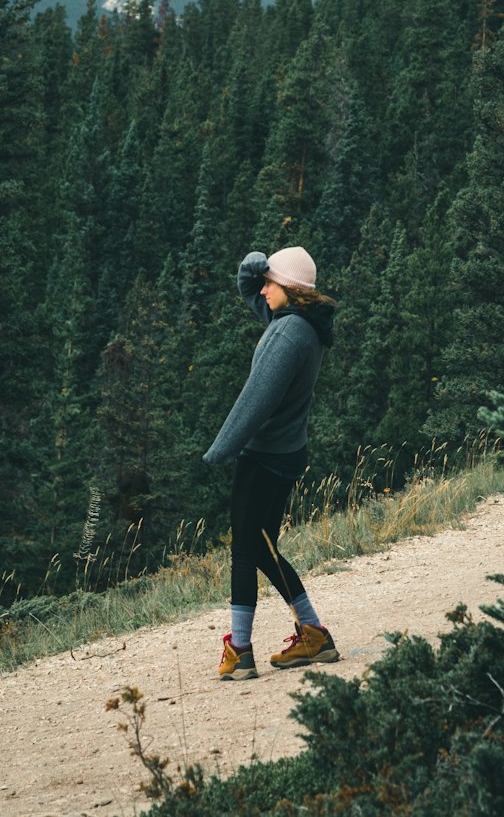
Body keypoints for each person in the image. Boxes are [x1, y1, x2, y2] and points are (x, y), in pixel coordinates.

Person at [203, 245, 339, 681]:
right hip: (287, 453)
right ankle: (314, 633)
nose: (262, 291)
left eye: (270, 284)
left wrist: (220, 450)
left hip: (264, 457)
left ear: (291, 290)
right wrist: (258, 267)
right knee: (262, 548)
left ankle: (240, 651)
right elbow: (250, 288)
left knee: (244, 550)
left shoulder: (286, 335)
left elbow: (255, 401)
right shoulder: (302, 325)